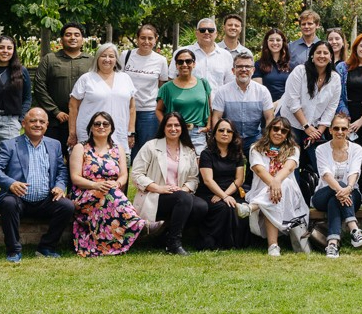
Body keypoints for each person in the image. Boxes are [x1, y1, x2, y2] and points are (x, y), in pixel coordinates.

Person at [0, 109, 73, 263]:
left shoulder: (54, 145)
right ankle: (14, 250)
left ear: (47, 125)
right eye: (33, 121)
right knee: (8, 202)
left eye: (41, 122)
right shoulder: (9, 145)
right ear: (23, 123)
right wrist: (11, 183)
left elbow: (62, 170)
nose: (37, 124)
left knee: (67, 206)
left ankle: (46, 247)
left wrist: (60, 186)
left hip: (46, 199)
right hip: (18, 198)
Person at [69, 111, 144, 257]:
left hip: (110, 192)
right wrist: (95, 185)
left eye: (105, 124)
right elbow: (75, 177)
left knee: (110, 192)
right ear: (91, 128)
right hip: (84, 193)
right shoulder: (80, 148)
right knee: (109, 193)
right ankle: (137, 223)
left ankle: (132, 225)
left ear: (111, 128)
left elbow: (124, 175)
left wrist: (117, 184)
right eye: (97, 124)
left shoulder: (118, 148)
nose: (101, 126)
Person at [132, 113, 207, 256]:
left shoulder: (188, 150)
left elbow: (193, 178)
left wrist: (183, 189)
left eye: (177, 125)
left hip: (180, 196)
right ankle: (174, 243)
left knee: (201, 206)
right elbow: (136, 174)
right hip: (154, 196)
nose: (173, 128)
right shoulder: (151, 146)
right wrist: (159, 188)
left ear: (182, 128)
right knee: (184, 198)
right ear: (163, 127)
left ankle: (164, 236)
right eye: (169, 125)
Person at [242, 117, 310, 255]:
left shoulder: (294, 149)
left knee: (286, 183)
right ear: (269, 130)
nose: (279, 133)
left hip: (289, 194)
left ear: (287, 135)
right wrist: (275, 186)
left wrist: (276, 183)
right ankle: (273, 246)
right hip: (263, 192)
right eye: (276, 129)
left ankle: (252, 208)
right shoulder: (256, 148)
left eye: (284, 131)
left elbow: (288, 168)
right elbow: (259, 170)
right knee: (275, 195)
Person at [279, 40, 341, 173]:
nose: (322, 56)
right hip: (292, 123)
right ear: (312, 55)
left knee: (322, 165)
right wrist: (306, 126)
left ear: (331, 57)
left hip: (315, 127)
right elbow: (292, 101)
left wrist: (318, 132)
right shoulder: (300, 71)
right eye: (318, 52)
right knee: (291, 164)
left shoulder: (335, 78)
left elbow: (331, 108)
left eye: (326, 53)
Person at [32, 22, 96, 148]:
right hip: (54, 122)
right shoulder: (50, 59)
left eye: (77, 35)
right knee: (52, 155)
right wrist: (56, 112)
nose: (73, 38)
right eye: (68, 35)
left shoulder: (92, 61)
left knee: (81, 156)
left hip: (83, 121)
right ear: (61, 40)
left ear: (82, 40)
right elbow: (39, 87)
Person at [311, 114, 362, 258]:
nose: (340, 132)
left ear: (348, 130)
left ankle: (332, 244)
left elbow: (355, 172)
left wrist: (348, 189)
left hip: (351, 194)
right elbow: (326, 174)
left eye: (344, 128)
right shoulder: (321, 149)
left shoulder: (357, 149)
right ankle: (354, 229)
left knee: (334, 200)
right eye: (336, 128)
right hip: (323, 195)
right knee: (338, 187)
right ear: (330, 130)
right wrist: (343, 189)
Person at [68, 44, 136, 155]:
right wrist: (72, 133)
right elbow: (73, 106)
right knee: (90, 163)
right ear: (97, 58)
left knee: (119, 163)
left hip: (119, 133)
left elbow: (132, 107)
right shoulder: (86, 78)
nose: (107, 59)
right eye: (103, 56)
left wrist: (131, 132)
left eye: (111, 56)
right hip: (90, 133)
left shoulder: (125, 78)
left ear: (116, 60)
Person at [196, 119, 248, 250]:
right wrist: (223, 196)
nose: (225, 133)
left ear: (233, 135)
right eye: (221, 130)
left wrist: (224, 195)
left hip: (230, 192)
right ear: (214, 134)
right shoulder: (206, 154)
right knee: (224, 207)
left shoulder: (238, 154)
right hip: (209, 193)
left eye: (229, 131)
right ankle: (212, 242)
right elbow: (208, 180)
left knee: (239, 206)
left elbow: (239, 180)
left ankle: (237, 243)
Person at [211, 54, 274, 152]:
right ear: (233, 70)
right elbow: (216, 117)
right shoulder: (222, 91)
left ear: (253, 70)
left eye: (247, 66)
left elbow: (269, 117)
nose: (244, 69)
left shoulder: (262, 91)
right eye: (239, 66)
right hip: (229, 139)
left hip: (255, 139)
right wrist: (218, 141)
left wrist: (266, 140)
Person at [155, 48, 213, 154]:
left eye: (188, 61)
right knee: (175, 162)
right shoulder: (167, 87)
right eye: (180, 62)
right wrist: (167, 125)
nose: (184, 64)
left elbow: (209, 107)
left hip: (198, 133)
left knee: (198, 162)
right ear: (176, 65)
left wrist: (208, 126)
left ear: (194, 64)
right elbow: (158, 110)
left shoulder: (203, 84)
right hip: (175, 132)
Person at [118, 25, 168, 148]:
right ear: (137, 38)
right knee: (124, 146)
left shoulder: (161, 60)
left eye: (150, 38)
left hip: (148, 111)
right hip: (126, 109)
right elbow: (118, 79)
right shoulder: (126, 55)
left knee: (146, 148)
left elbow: (162, 86)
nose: (146, 41)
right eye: (143, 38)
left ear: (156, 39)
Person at [167, 17, 233, 90]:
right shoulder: (182, 53)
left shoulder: (226, 56)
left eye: (211, 30)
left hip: (217, 97)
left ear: (216, 34)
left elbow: (230, 84)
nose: (206, 32)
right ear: (196, 33)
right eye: (202, 30)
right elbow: (171, 79)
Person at [0, 36, 32, 142]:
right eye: (1, 47)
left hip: (11, 123)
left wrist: (20, 119)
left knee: (10, 151)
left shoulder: (21, 71)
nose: (5, 51)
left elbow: (27, 98)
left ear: (13, 51)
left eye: (9, 48)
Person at [253, 28, 292, 103]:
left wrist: (278, 103)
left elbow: (293, 91)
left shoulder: (290, 64)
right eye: (271, 40)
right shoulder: (258, 65)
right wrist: (270, 106)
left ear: (283, 42)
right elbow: (258, 92)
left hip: (287, 106)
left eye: (278, 40)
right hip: (266, 106)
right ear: (266, 42)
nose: (275, 43)